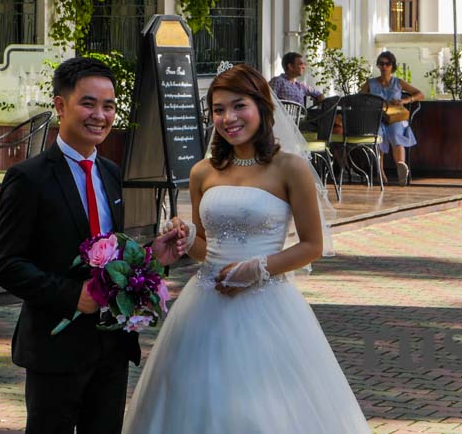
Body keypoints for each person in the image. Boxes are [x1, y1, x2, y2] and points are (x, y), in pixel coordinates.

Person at [123, 64, 368, 433]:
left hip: (266, 304)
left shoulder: (290, 168)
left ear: (261, 106)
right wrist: (188, 238)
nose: (228, 118)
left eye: (238, 106)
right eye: (218, 110)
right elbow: (206, 249)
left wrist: (259, 268)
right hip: (204, 305)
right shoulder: (203, 172)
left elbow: (313, 245)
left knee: (265, 409)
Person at [0, 57, 179, 434]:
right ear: (61, 106)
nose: (100, 115)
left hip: (112, 347)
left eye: (108, 106)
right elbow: (5, 263)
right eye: (88, 103)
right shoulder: (29, 178)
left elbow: (111, 255)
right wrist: (71, 295)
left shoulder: (111, 173)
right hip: (55, 347)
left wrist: (153, 256)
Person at [361, 50, 423, 185]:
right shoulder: (370, 83)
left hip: (396, 118)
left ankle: (401, 167)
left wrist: (405, 101)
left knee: (396, 134)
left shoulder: (398, 82)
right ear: (378, 65)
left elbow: (420, 94)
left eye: (387, 64)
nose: (384, 67)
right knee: (378, 136)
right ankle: (380, 172)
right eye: (381, 64)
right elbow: (359, 98)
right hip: (377, 117)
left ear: (392, 66)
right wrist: (369, 103)